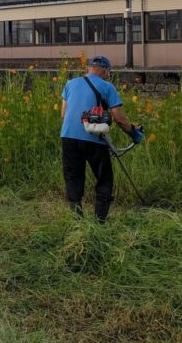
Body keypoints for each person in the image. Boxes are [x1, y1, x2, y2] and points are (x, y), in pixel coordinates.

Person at [60, 55, 142, 222]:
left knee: (73, 177)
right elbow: (119, 119)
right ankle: (100, 221)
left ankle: (77, 220)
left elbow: (63, 114)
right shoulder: (107, 86)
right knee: (104, 177)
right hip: (93, 138)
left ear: (88, 68)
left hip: (68, 136)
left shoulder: (70, 84)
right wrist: (135, 134)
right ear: (105, 71)